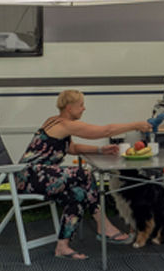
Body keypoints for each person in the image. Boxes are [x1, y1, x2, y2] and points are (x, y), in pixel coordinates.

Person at [16, 89, 153, 259]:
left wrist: (100, 150)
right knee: (84, 174)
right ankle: (104, 226)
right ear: (69, 108)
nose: (84, 109)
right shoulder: (64, 124)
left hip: (38, 176)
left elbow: (71, 148)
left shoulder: (54, 122)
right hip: (29, 176)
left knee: (79, 194)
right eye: (81, 105)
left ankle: (62, 247)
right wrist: (136, 125)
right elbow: (106, 131)